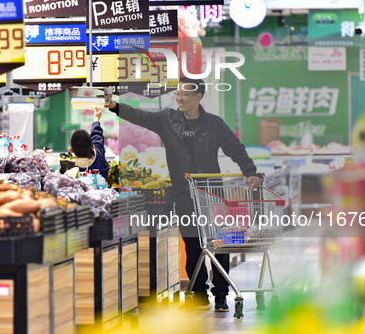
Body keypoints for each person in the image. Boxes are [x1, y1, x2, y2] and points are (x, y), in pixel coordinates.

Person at [107, 76, 260, 312]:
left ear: (198, 97)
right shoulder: (168, 119)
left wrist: (250, 172)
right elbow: (141, 117)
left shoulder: (215, 124)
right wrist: (115, 106)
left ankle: (221, 295)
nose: (179, 97)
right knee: (192, 243)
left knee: (219, 244)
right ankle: (198, 294)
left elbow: (235, 148)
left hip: (212, 192)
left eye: (185, 94)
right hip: (184, 193)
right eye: (178, 93)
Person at [70, 107, 110, 181]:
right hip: (102, 192)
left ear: (71, 150)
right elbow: (97, 136)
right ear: (92, 148)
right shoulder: (99, 155)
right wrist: (96, 119)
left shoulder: (71, 170)